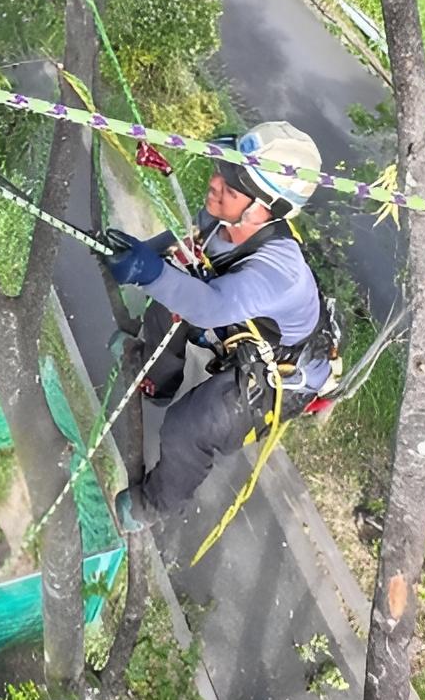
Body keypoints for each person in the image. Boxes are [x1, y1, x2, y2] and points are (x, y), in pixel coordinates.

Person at [108, 122, 334, 528]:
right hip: (243, 332)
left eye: (230, 189)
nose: (214, 186)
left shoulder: (280, 270)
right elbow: (186, 245)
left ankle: (157, 504)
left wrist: (148, 273)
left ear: (264, 210)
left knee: (190, 427)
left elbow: (209, 308)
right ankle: (154, 379)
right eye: (220, 174)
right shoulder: (221, 221)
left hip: (278, 374)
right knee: (164, 309)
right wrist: (146, 254)